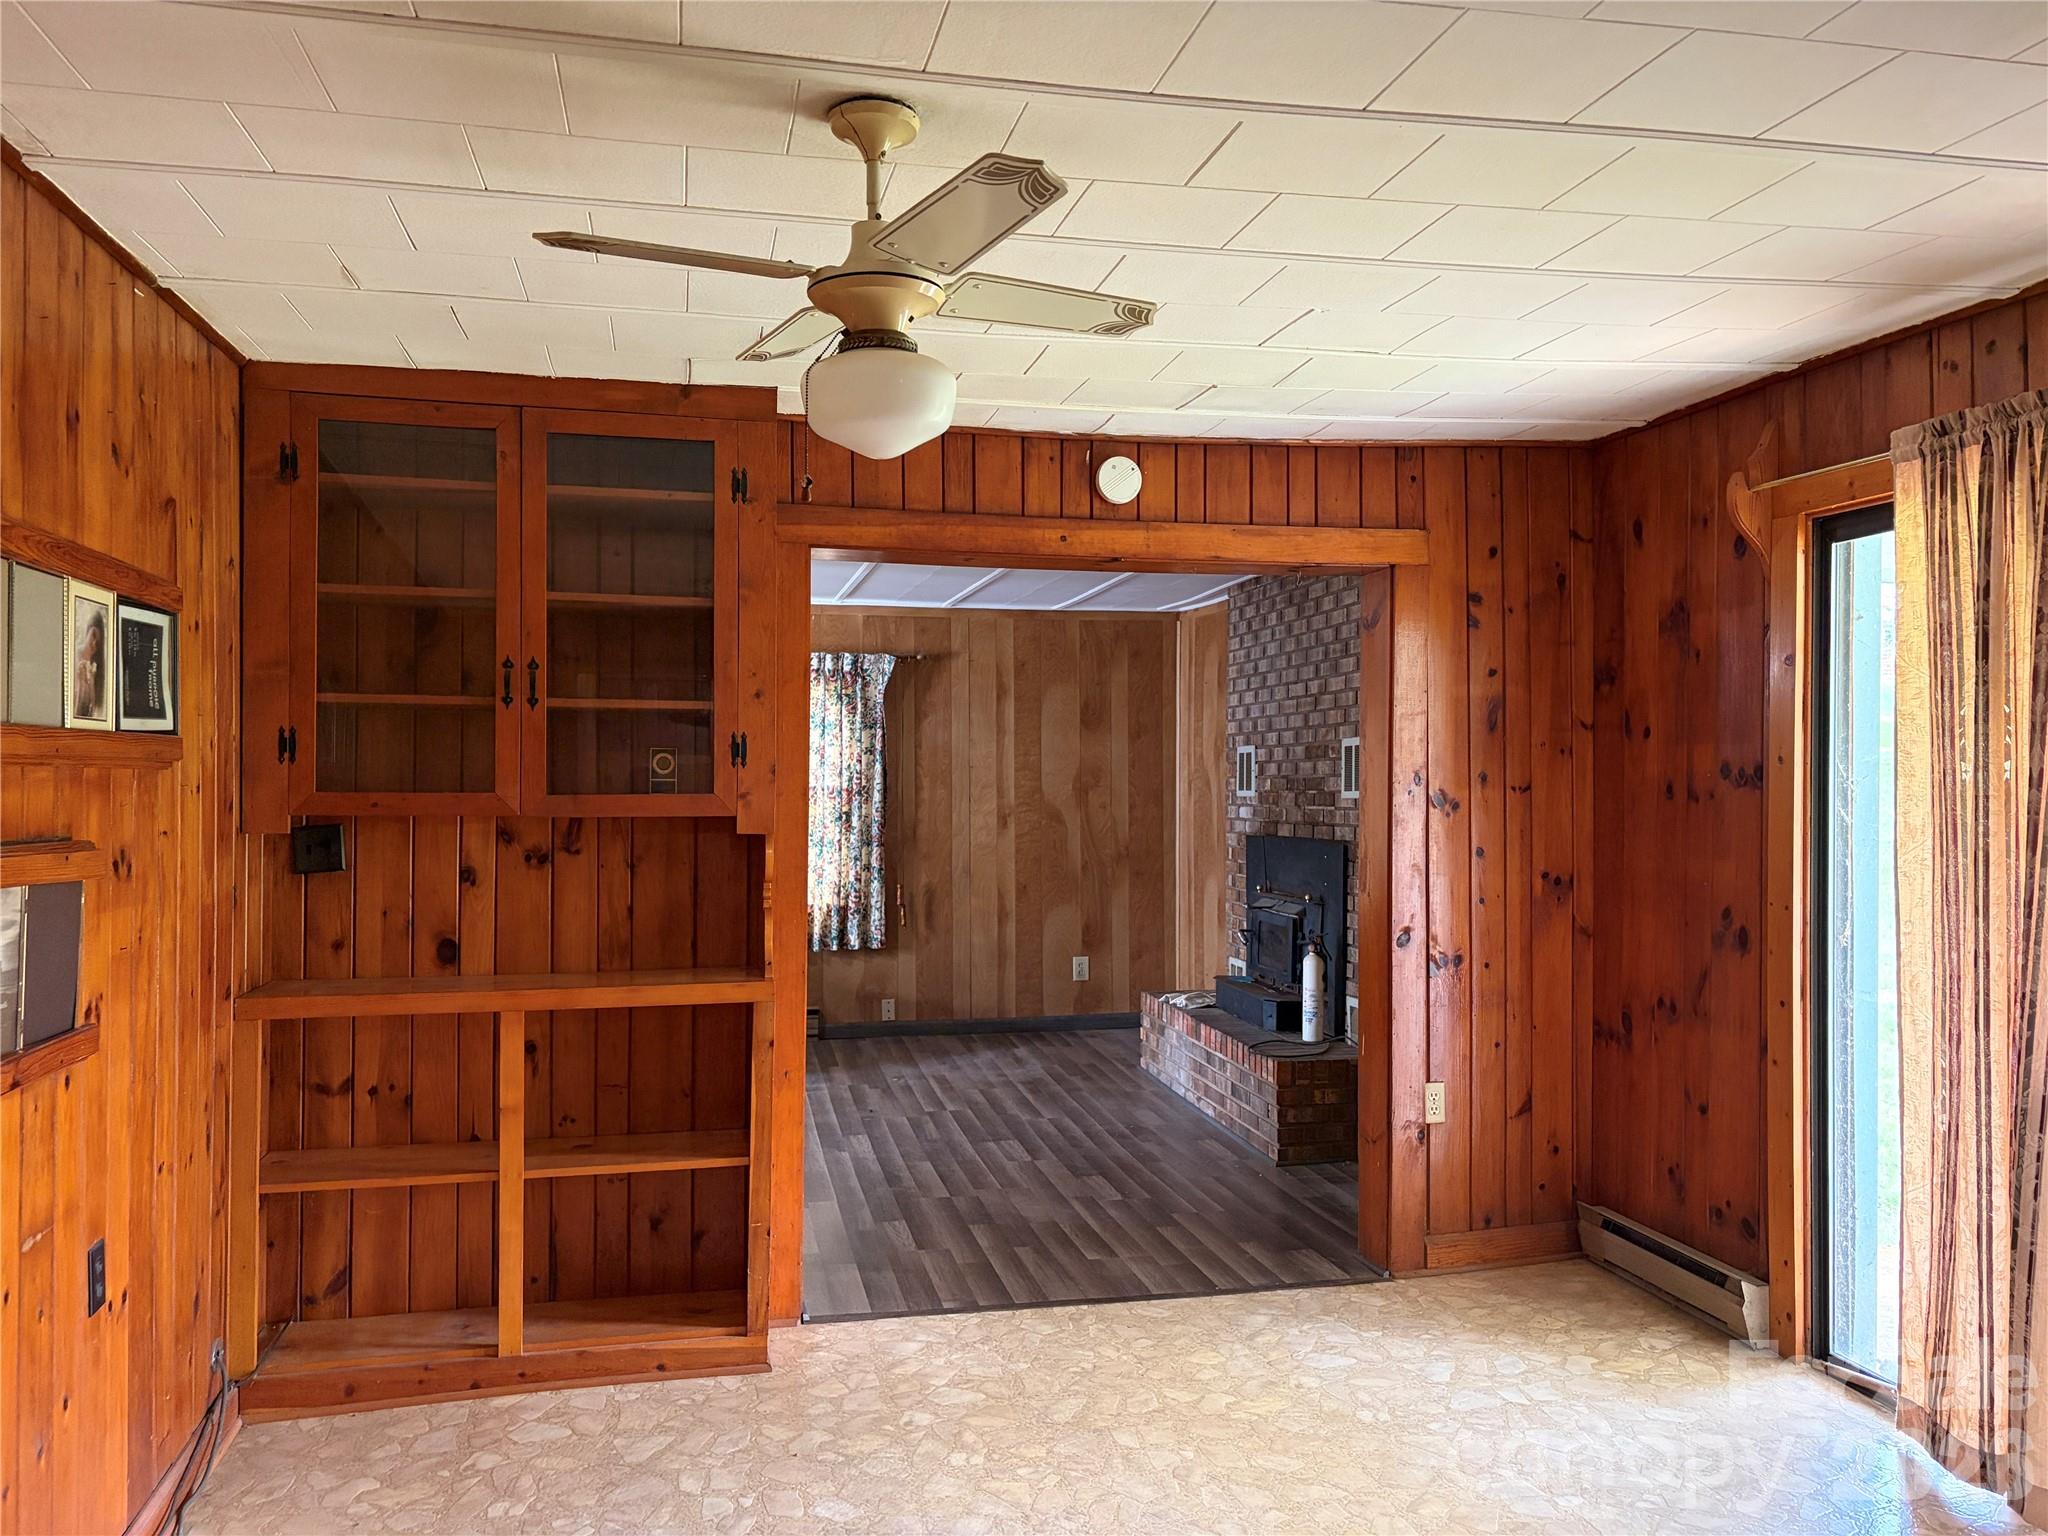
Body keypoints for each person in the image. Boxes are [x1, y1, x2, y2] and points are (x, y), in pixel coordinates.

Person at [73, 605, 104, 718]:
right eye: (93, 635)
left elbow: (91, 708)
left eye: (98, 642)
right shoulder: (74, 655)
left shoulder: (93, 669)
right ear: (88, 631)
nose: (94, 643)